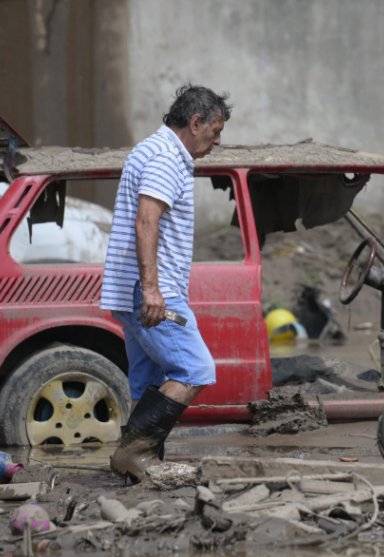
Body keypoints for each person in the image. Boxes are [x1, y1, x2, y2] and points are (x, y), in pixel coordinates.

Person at [100, 84, 231, 482]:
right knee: (196, 369)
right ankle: (134, 455)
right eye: (214, 133)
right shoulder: (163, 158)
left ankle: (142, 464)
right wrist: (153, 289)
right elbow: (146, 221)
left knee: (148, 379)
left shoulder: (150, 149)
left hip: (130, 289)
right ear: (195, 123)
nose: (216, 143)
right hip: (154, 290)